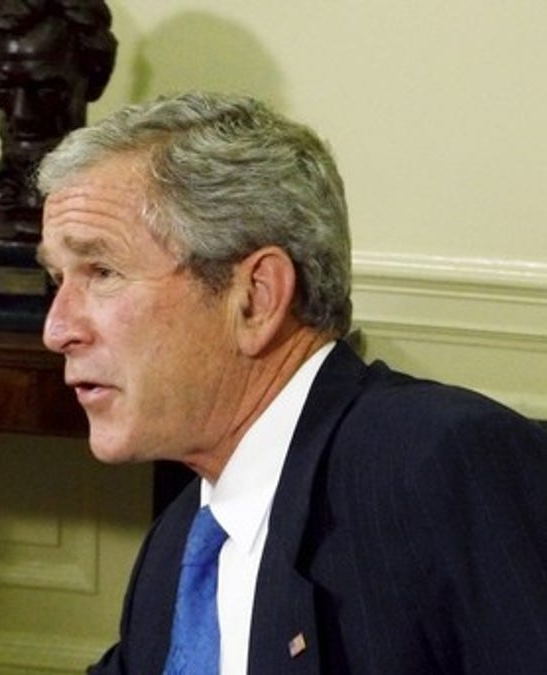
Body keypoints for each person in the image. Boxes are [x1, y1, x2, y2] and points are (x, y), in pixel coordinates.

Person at [34, 92, 547, 674]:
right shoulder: (180, 547)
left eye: (102, 272)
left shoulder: (438, 466)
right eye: (57, 278)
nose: (57, 329)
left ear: (255, 297)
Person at [0, 0, 117, 242]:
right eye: (4, 88)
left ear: (95, 80)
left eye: (46, 91)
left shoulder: (114, 208)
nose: (22, 114)